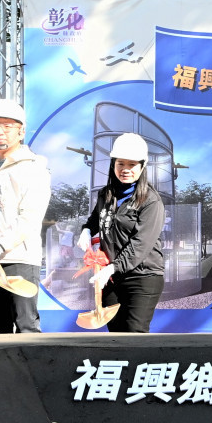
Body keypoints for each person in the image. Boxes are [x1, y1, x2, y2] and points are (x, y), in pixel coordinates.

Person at [0, 99, 52, 333]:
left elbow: (30, 217)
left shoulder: (33, 167)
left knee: (26, 326)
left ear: (21, 131)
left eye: (7, 126)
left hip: (19, 258)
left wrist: (1, 246)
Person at [78, 133, 165, 332]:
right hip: (111, 276)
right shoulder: (106, 194)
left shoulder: (151, 200)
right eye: (120, 164)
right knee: (115, 334)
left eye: (132, 164)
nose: (125, 169)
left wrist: (113, 267)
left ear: (142, 166)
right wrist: (86, 230)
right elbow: (96, 219)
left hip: (142, 276)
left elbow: (141, 244)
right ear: (113, 164)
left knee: (134, 333)